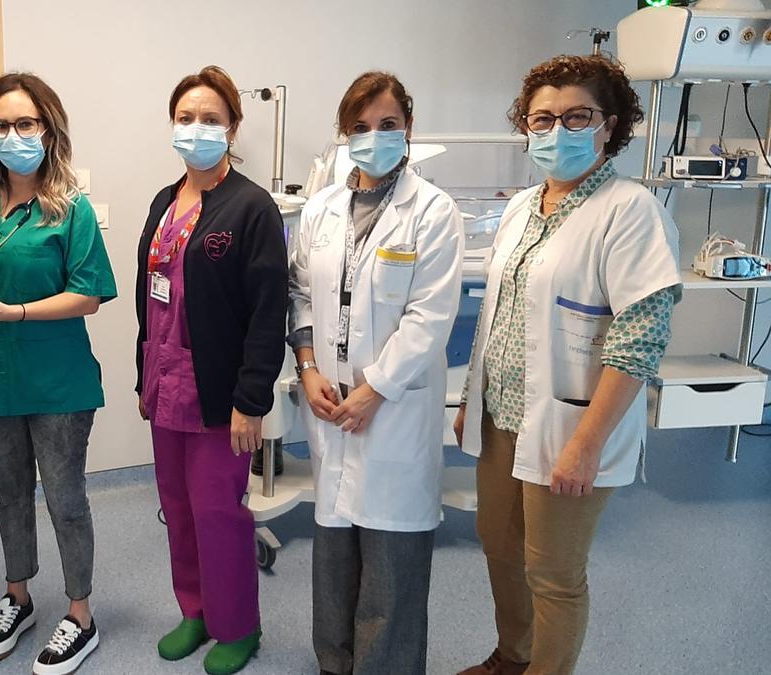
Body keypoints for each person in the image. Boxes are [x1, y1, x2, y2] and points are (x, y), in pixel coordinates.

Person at [454, 55, 680, 675]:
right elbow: (496, 313)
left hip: (570, 427)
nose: (557, 131)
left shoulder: (630, 210)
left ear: (609, 125)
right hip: (502, 416)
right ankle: (511, 657)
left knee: (553, 571)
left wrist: (587, 444)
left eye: (577, 116)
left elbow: (640, 339)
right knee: (499, 548)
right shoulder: (524, 205)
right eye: (542, 119)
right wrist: (473, 400)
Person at [0, 72, 116, 675]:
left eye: (25, 123)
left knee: (66, 500)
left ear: (48, 129)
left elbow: (88, 295)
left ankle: (81, 615)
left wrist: (11, 312)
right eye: (1, 125)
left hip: (57, 382)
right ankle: (18, 597)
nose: (13, 135)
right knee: (9, 495)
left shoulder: (71, 210)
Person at [288, 71, 464, 675]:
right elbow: (302, 293)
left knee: (390, 562)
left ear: (408, 129)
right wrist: (308, 366)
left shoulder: (434, 211)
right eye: (360, 128)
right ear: (345, 135)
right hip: (330, 402)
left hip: (393, 409)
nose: (373, 137)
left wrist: (373, 391)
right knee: (334, 556)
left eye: (387, 125)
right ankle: (333, 663)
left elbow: (430, 316)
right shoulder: (322, 209)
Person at [135, 65, 288, 675]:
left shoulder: (251, 208)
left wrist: (251, 400)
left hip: (218, 393)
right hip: (164, 384)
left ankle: (237, 627)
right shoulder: (163, 201)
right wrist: (144, 376)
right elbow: (154, 300)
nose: (196, 129)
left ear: (233, 126)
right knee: (176, 505)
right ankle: (194, 611)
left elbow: (266, 309)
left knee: (219, 512)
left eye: (210, 119)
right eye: (185, 118)